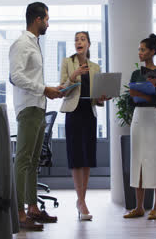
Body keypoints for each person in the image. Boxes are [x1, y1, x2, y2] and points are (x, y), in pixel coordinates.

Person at [9, 2, 63, 231]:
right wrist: (43, 89)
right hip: (29, 107)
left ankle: (32, 208)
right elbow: (15, 77)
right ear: (38, 19)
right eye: (47, 19)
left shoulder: (34, 44)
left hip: (38, 106)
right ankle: (19, 213)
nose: (48, 23)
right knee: (23, 161)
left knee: (32, 163)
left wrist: (49, 90)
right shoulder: (22, 44)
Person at [59, 31, 110, 221]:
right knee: (76, 156)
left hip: (89, 113)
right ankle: (80, 201)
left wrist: (103, 97)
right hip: (73, 112)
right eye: (76, 40)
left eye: (82, 39)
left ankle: (82, 199)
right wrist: (73, 76)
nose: (78, 42)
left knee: (87, 157)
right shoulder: (67, 62)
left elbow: (97, 96)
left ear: (89, 44)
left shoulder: (95, 67)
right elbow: (62, 90)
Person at [123, 34, 156, 220]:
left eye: (143, 49)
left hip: (153, 118)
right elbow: (131, 99)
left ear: (152, 52)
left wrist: (149, 94)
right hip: (138, 117)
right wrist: (142, 95)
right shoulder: (136, 73)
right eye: (139, 49)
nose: (139, 53)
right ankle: (139, 207)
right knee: (137, 161)